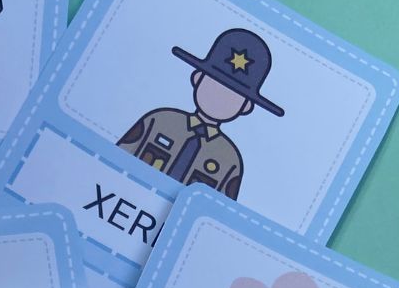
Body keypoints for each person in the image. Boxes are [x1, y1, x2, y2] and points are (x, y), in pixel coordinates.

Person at [117, 28, 284, 199]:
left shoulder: (230, 160)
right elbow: (116, 157)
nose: (220, 96)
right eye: (214, 83)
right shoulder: (159, 121)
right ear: (197, 78)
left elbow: (219, 208)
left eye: (233, 94)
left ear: (246, 106)